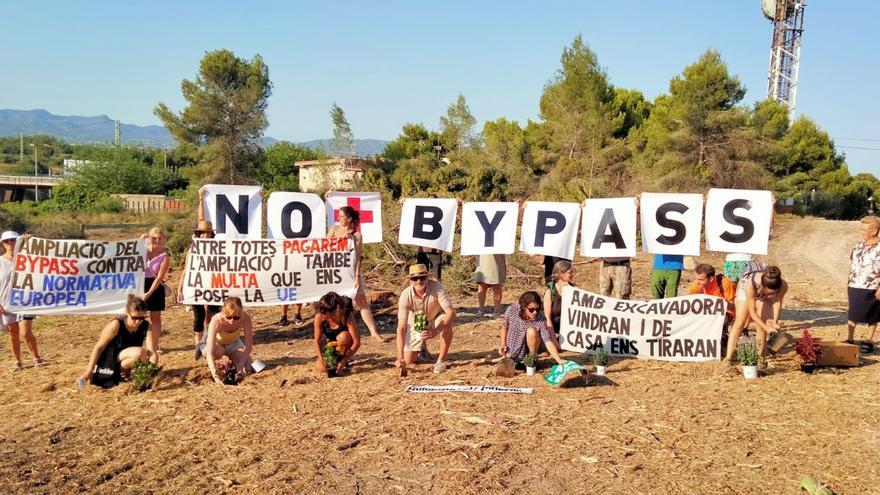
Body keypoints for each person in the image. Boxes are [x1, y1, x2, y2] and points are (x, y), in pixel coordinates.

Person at [327, 205, 385, 343]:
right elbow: (325, 245)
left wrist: (358, 276)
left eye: (341, 216)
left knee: (362, 301)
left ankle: (374, 332)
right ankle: (339, 331)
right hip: (336, 271)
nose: (338, 219)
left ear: (349, 218)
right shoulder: (334, 229)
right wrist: (341, 238)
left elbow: (358, 257)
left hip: (352, 272)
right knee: (336, 303)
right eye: (338, 216)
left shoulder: (357, 235)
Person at [78, 295, 157, 385]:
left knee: (140, 357)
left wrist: (151, 373)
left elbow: (152, 352)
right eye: (134, 318)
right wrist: (89, 372)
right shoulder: (116, 325)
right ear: (127, 314)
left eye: (142, 318)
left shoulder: (148, 326)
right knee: (140, 352)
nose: (138, 322)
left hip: (124, 360)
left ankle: (122, 374)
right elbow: (99, 347)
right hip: (110, 360)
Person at [177, 210, 222, 360]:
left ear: (211, 234)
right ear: (197, 234)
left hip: (213, 286)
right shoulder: (192, 250)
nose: (204, 235)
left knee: (213, 314)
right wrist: (180, 287)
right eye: (202, 233)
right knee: (199, 315)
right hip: (195, 286)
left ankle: (209, 342)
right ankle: (198, 345)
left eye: (207, 233)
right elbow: (186, 270)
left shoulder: (218, 248)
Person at [396, 263, 456, 373]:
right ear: (410, 281)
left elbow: (451, 312)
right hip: (417, 319)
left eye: (422, 277)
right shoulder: (405, 295)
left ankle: (441, 360)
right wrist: (400, 357)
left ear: (427, 278)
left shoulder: (437, 288)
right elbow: (401, 328)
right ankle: (422, 350)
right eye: (415, 278)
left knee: (447, 324)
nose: (419, 281)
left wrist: (436, 330)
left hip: (436, 315)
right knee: (408, 361)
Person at [723, 263, 788, 363]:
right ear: (762, 287)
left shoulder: (783, 285)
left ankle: (760, 358)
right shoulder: (750, 285)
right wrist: (767, 328)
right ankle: (728, 357)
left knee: (761, 324)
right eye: (769, 293)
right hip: (747, 288)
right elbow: (752, 312)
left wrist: (775, 322)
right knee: (740, 323)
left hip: (761, 291)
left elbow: (777, 301)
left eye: (773, 293)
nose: (770, 295)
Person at [0, 231, 44, 371]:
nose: (10, 243)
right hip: (6, 302)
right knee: (13, 332)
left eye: (13, 240)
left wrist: (31, 241)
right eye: (7, 241)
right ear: (3, 243)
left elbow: (44, 260)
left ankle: (36, 357)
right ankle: (17, 361)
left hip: (26, 301)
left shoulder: (27, 257)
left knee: (24, 332)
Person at [500, 291, 566, 368]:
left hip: (531, 347)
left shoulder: (540, 318)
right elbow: (505, 326)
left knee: (531, 331)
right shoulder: (512, 310)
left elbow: (547, 340)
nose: (535, 312)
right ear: (524, 307)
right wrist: (502, 344)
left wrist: (559, 360)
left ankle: (531, 360)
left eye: (537, 309)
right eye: (531, 309)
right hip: (512, 348)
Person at [202, 297, 254, 383]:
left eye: (236, 318)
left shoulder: (246, 318)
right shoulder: (216, 320)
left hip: (234, 343)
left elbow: (249, 345)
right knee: (217, 352)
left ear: (241, 313)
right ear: (223, 312)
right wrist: (215, 376)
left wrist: (241, 365)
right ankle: (215, 365)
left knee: (248, 368)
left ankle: (231, 364)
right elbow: (210, 351)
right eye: (228, 317)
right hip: (217, 344)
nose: (232, 321)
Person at [846, 216, 880, 343]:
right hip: (855, 284)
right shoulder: (858, 246)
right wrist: (848, 282)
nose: (862, 232)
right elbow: (852, 265)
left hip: (872, 286)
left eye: (865, 230)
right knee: (853, 313)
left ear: (874, 231)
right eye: (861, 229)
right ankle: (850, 339)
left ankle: (869, 340)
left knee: (873, 315)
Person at [312, 292, 361, 374]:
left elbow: (357, 342)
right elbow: (317, 341)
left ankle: (342, 360)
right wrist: (321, 358)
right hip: (329, 344)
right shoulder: (319, 317)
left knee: (344, 336)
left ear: (334, 311)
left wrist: (345, 359)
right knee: (321, 368)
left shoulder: (347, 315)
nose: (322, 315)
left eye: (325, 313)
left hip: (345, 342)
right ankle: (334, 362)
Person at [142, 226, 169, 363]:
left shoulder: (164, 257)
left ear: (164, 240)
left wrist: (148, 293)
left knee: (155, 317)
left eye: (160, 238)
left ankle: (154, 344)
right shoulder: (143, 251)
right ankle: (140, 343)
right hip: (139, 284)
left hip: (155, 287)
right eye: (154, 238)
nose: (156, 241)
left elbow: (159, 278)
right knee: (137, 316)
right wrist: (140, 241)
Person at [543, 259, 575, 340]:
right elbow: (548, 317)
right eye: (569, 273)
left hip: (570, 331)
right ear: (561, 274)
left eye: (572, 272)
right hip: (554, 330)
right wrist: (553, 338)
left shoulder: (574, 288)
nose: (572, 275)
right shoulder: (550, 292)